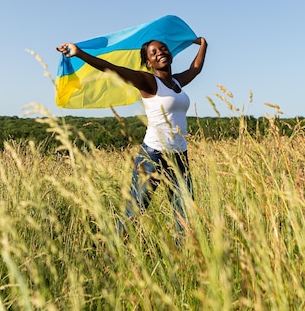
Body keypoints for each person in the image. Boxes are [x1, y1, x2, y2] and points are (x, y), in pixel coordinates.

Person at [56, 36, 208, 234]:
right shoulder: (148, 81)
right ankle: (113, 255)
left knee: (185, 213)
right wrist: (80, 53)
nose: (160, 52)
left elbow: (195, 68)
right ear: (148, 62)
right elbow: (112, 69)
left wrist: (204, 44)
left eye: (162, 49)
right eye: (153, 53)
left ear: (170, 54)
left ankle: (184, 258)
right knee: (134, 212)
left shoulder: (177, 83)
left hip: (180, 155)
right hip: (153, 156)